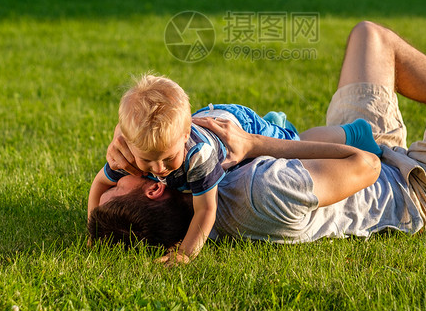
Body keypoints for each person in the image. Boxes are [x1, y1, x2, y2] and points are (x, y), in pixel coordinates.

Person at [89, 21, 426, 250]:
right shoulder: (263, 196)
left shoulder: (187, 169)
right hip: (416, 189)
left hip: (370, 150)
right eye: (122, 179)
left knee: (370, 36)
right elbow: (363, 163)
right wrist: (258, 144)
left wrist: (127, 135)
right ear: (156, 187)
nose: (117, 169)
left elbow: (161, 123)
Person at [88, 74, 383, 264]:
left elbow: (206, 211)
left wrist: (185, 254)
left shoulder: (196, 157)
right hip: (211, 123)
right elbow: (99, 185)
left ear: (183, 136)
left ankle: (354, 134)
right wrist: (92, 229)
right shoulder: (138, 153)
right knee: (300, 140)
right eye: (147, 162)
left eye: (167, 160)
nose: (157, 169)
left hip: (236, 125)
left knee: (294, 143)